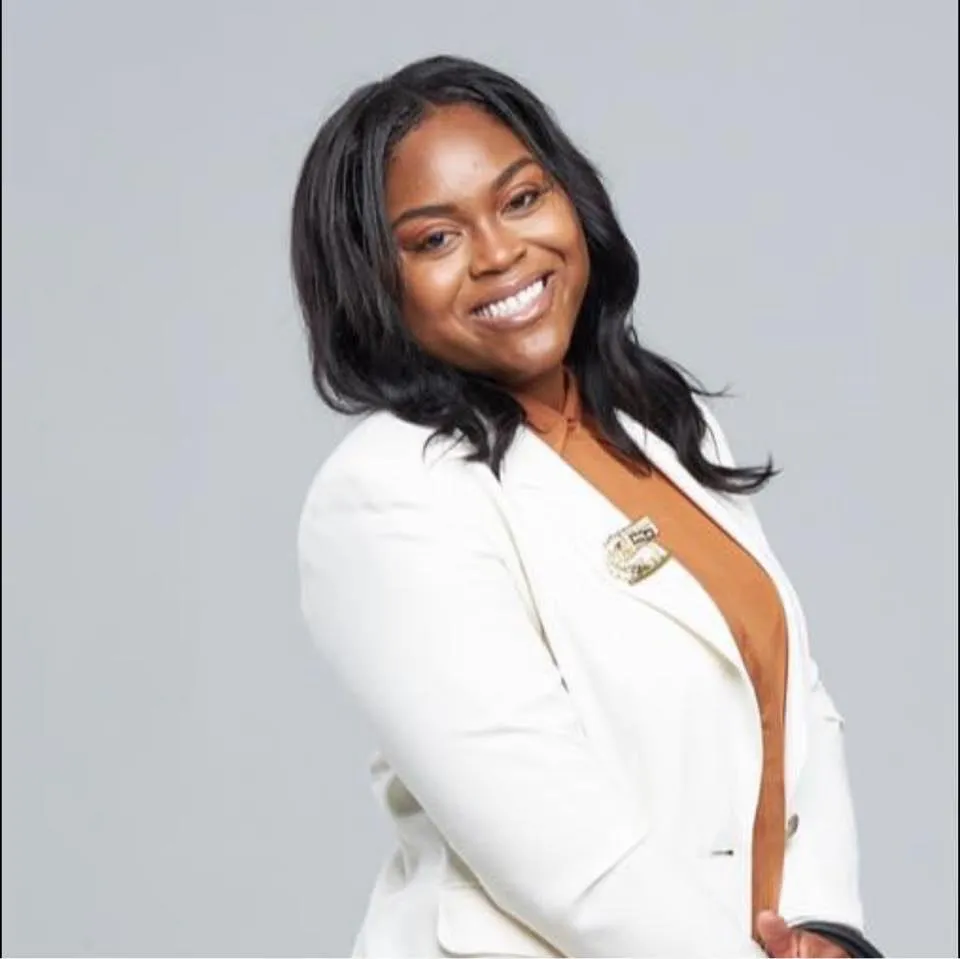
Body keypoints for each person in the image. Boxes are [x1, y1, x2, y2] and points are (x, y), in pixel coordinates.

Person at [291, 55, 883, 959]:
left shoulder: (660, 422)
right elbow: (556, 846)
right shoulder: (386, 494)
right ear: (373, 281)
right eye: (436, 239)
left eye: (522, 199)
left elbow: (791, 693)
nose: (499, 253)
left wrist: (822, 924)